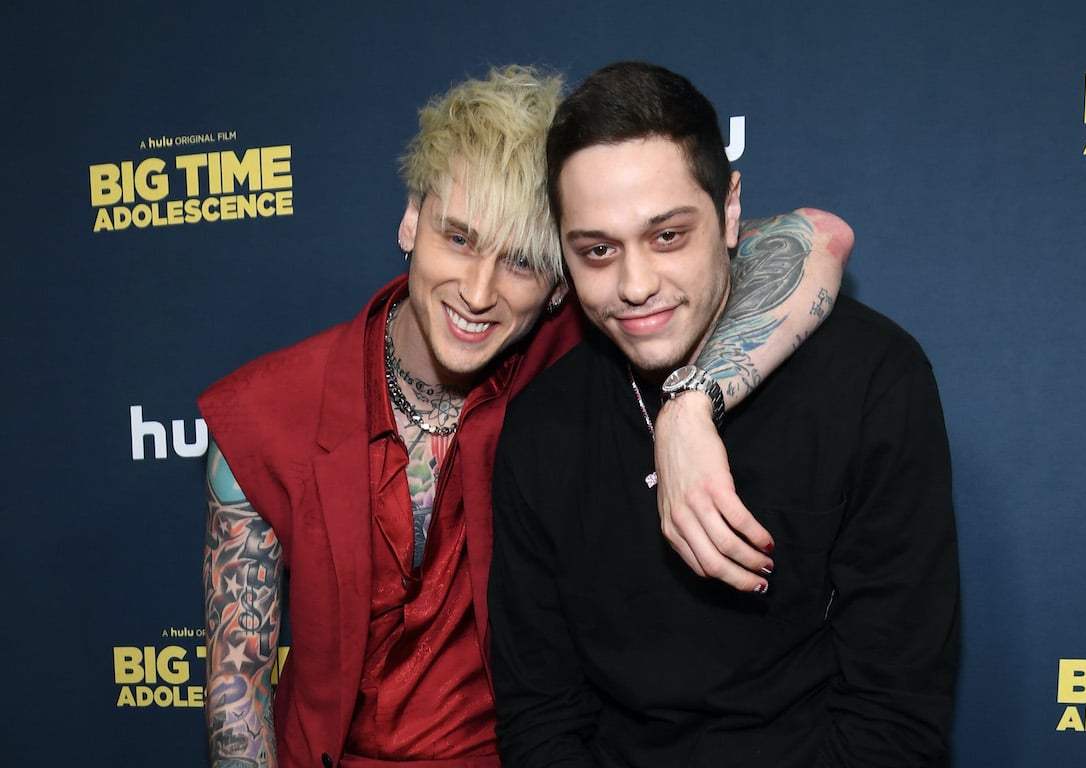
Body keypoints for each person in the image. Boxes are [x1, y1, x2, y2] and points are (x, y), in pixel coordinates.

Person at [200, 65, 850, 768]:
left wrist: (691, 405)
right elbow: (238, 690)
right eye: (458, 238)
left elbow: (815, 237)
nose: (478, 293)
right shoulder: (271, 410)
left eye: (520, 261)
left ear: (561, 281)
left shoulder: (586, 340)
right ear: (412, 219)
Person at [488, 61, 960, 766]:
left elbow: (894, 715)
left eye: (668, 236)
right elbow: (540, 716)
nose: (635, 285)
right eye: (598, 250)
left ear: (730, 210)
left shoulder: (871, 379)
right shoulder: (542, 427)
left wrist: (687, 405)